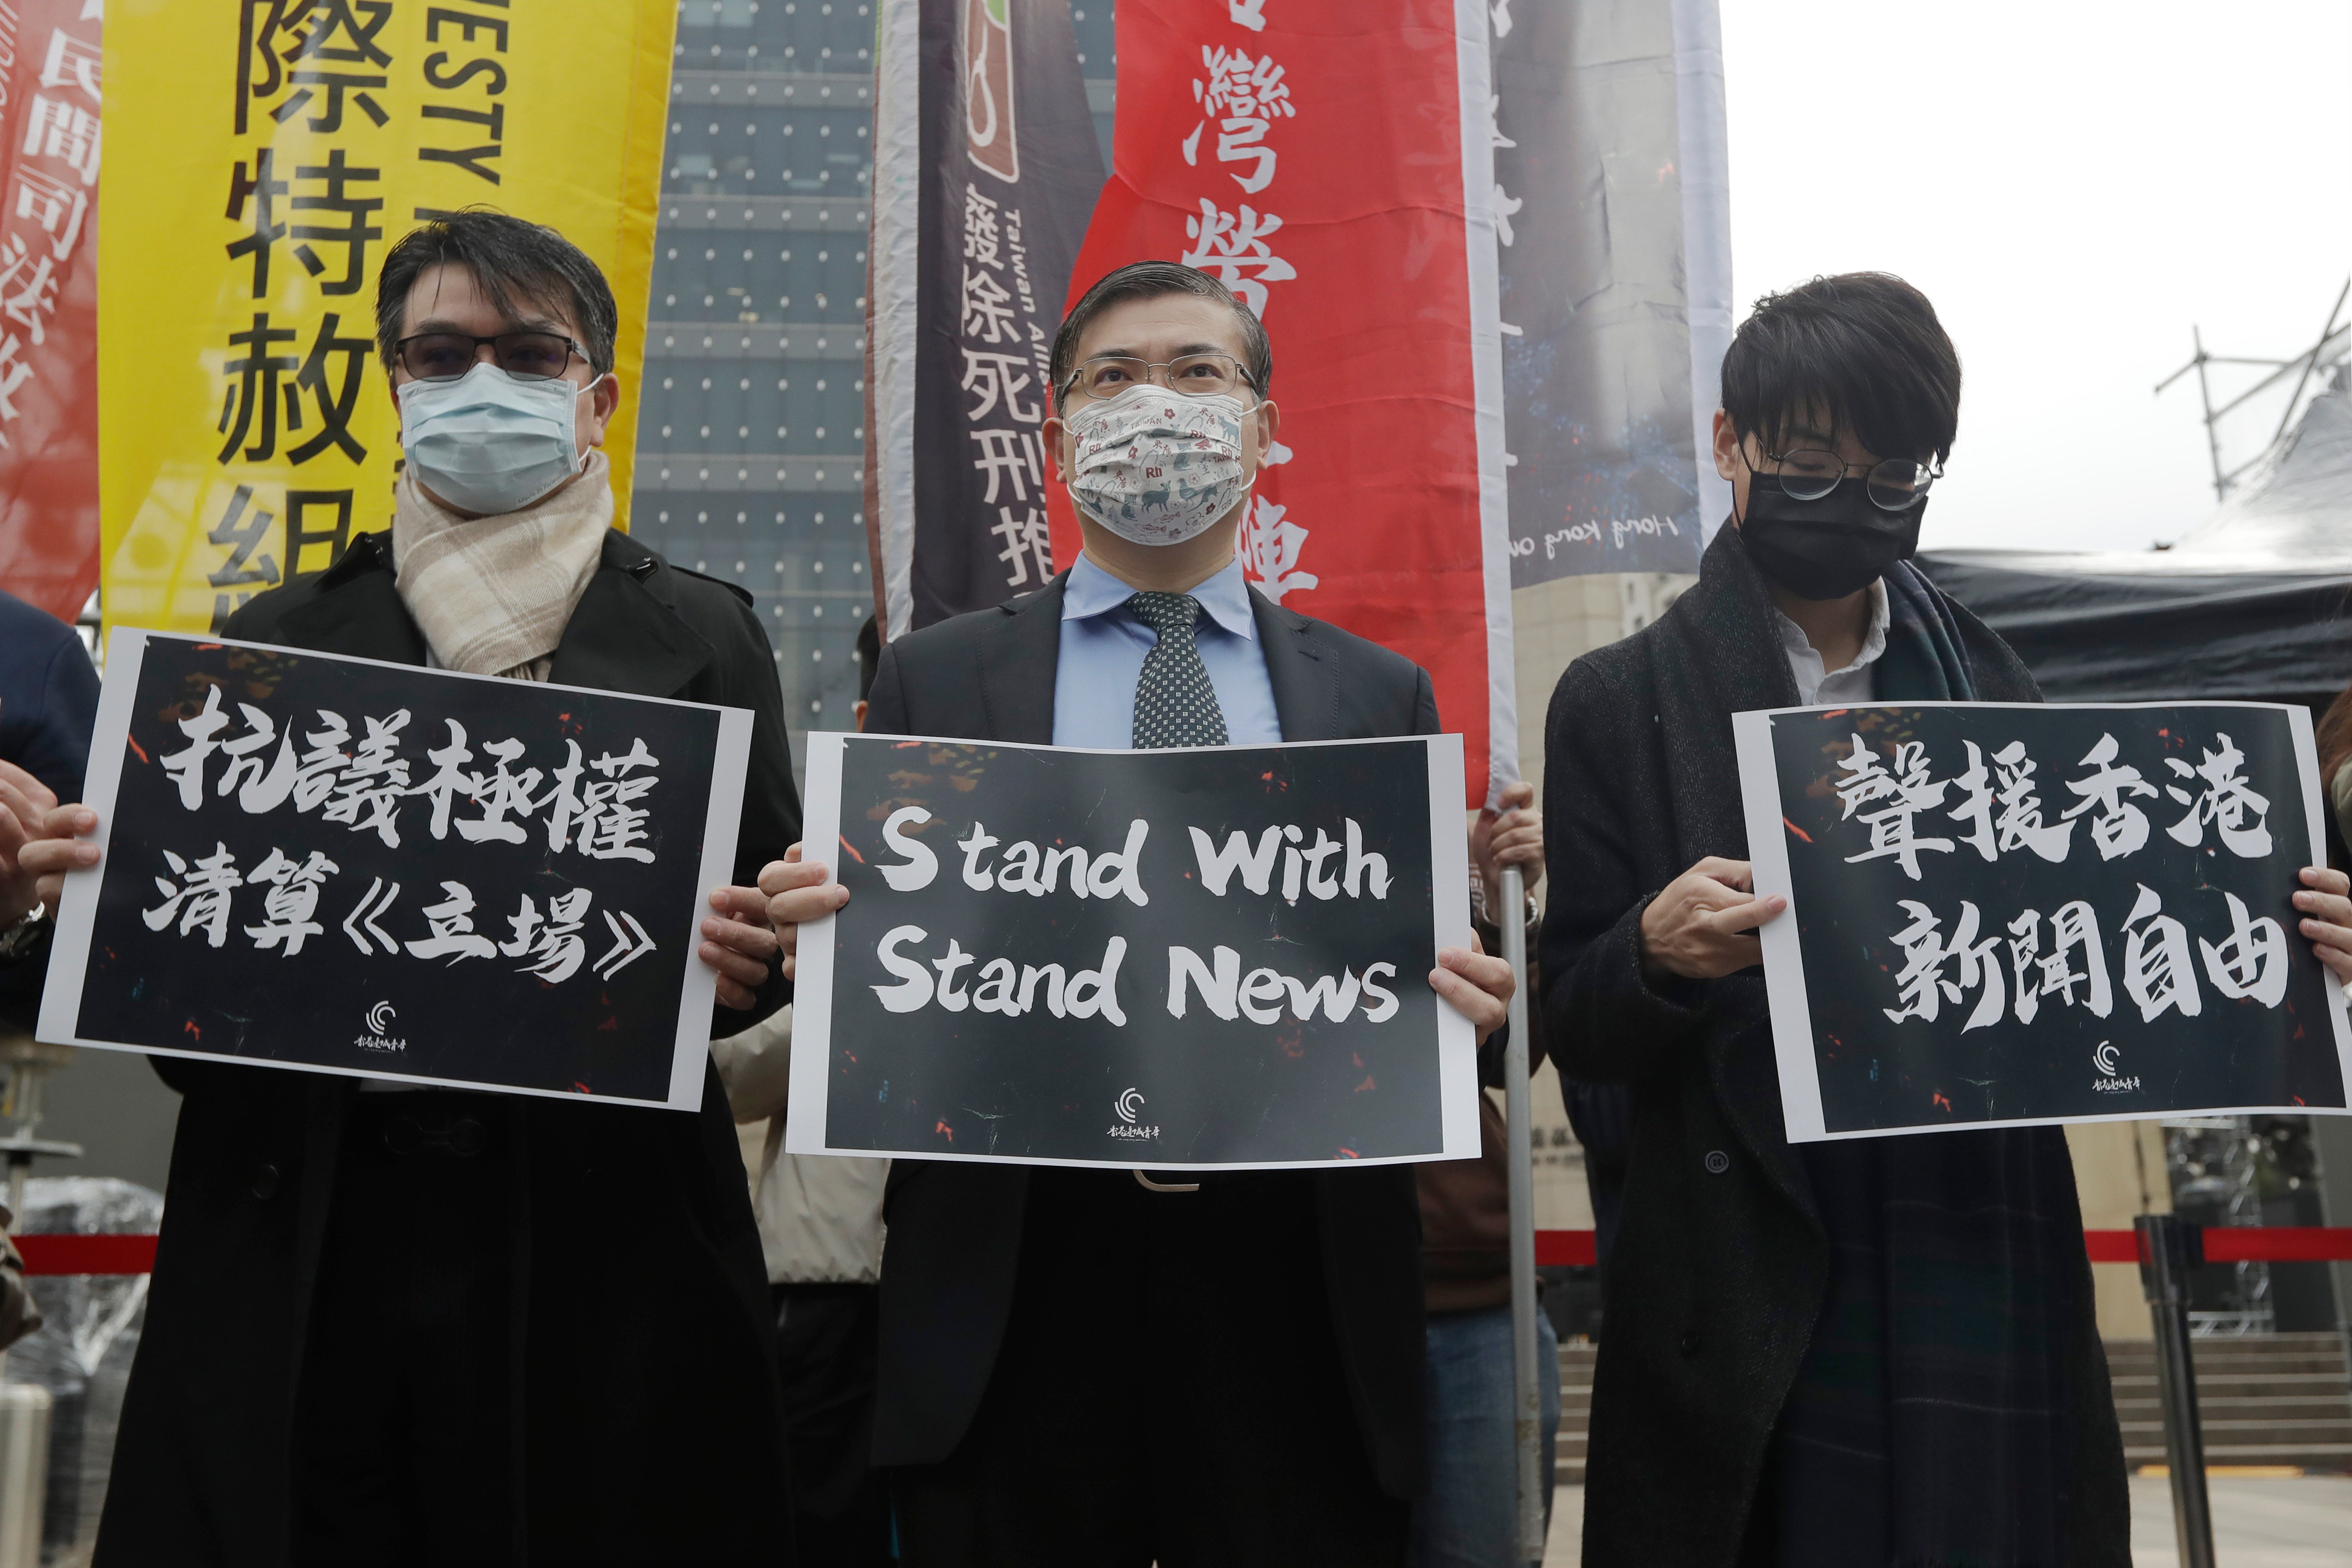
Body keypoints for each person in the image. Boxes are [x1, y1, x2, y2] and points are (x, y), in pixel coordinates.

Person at [1540, 271, 2352, 1567]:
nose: (1849, 495)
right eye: (1811, 460)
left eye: (1892, 470)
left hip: (1979, 1220)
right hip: (1756, 1243)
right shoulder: (1617, 698)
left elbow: (2115, 947)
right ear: (1729, 444)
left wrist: (2289, 942)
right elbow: (1569, 1009)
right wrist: (1651, 952)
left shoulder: (2001, 683)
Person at [65, 211, 801, 1567]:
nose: (482, 383)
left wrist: (751, 950)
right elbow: (193, 1037)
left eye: (528, 352)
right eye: (441, 352)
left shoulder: (706, 634)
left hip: (608, 1232)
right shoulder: (276, 641)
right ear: (396, 385)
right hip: (319, 1219)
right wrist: (135, 921)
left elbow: (773, 940)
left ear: (597, 396)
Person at [762, 259, 1516, 1567]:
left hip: (1295, 1287)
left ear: (1264, 430)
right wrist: (811, 932)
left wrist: (1484, 1005)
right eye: (1112, 378)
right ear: (1060, 437)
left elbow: (1428, 985)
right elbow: (887, 965)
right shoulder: (941, 675)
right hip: (1021, 1279)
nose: (1153, 402)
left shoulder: (1377, 694)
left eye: (1196, 372)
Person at [712, 615, 893, 1567]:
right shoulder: (816, 870)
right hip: (826, 1283)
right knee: (820, 1526)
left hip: (981, 1287)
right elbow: (732, 1074)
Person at [1411, 778, 1561, 1568]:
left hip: (1470, 1294)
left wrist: (1503, 907)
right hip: (1290, 1283)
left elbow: (1513, 1053)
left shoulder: (1442, 887)